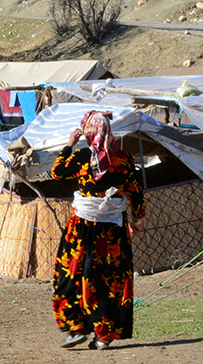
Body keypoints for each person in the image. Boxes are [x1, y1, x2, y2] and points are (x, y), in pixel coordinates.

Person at [51, 111, 145, 350]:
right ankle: (104, 336)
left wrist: (69, 144)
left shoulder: (82, 157)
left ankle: (76, 327)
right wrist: (136, 219)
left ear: (88, 132)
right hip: (112, 232)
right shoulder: (123, 159)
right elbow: (135, 190)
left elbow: (57, 171)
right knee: (108, 280)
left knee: (70, 274)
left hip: (81, 231)